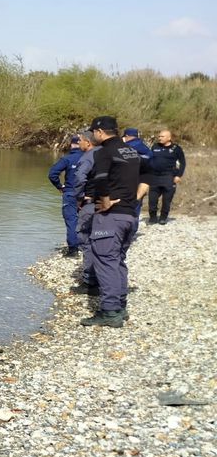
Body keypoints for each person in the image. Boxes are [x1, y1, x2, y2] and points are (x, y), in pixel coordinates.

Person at [79, 116, 150, 328]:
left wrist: (106, 201)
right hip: (129, 214)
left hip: (111, 217)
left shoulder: (104, 152)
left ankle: (109, 312)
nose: (92, 136)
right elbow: (150, 173)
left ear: (100, 132)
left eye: (93, 132)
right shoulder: (132, 152)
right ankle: (120, 306)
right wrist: (136, 197)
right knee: (118, 260)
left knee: (105, 260)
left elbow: (100, 179)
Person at [48, 135, 85, 253]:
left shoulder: (67, 159)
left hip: (70, 193)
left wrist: (59, 186)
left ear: (71, 145)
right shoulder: (90, 157)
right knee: (86, 219)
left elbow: (52, 174)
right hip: (87, 194)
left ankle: (73, 250)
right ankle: (87, 246)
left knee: (71, 220)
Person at [63, 132, 96, 258]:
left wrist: (61, 187)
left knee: (73, 222)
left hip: (78, 194)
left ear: (87, 142)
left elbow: (80, 178)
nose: (79, 143)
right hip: (97, 196)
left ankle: (74, 250)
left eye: (80, 141)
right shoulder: (100, 155)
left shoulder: (84, 158)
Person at [147, 129, 186, 225]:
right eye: (159, 136)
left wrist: (178, 175)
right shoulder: (155, 146)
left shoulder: (176, 148)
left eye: (162, 136)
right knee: (152, 199)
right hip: (154, 176)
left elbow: (182, 163)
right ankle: (152, 217)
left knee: (167, 199)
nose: (159, 138)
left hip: (168, 176)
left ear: (169, 138)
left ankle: (163, 217)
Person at [122, 128, 152, 233]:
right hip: (142, 181)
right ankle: (132, 230)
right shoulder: (146, 148)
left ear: (126, 136)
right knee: (136, 206)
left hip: (127, 181)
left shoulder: (126, 147)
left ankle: (124, 231)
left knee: (124, 207)